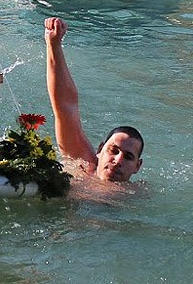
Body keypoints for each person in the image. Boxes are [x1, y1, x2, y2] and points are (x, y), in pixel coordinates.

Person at [44, 17, 144, 183]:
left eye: (128, 157)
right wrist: (53, 44)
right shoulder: (83, 168)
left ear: (137, 167)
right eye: (113, 150)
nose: (118, 161)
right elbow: (65, 108)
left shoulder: (139, 197)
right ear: (99, 149)